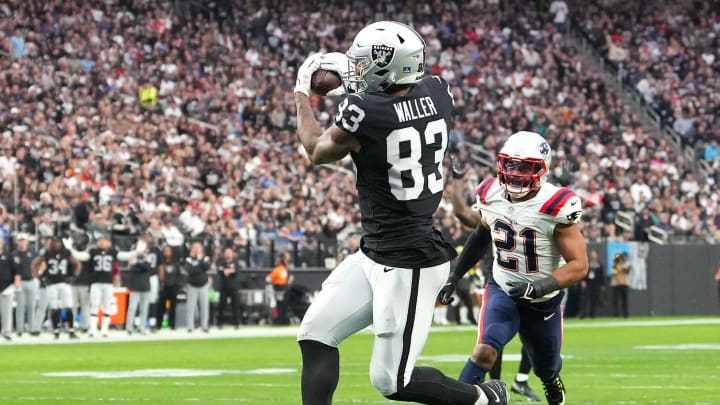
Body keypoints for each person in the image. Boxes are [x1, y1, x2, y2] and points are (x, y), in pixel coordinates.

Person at [293, 21, 507, 405]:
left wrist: (301, 93)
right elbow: (393, 100)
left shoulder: (364, 111)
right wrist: (356, 81)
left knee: (393, 382)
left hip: (410, 261)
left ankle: (485, 399)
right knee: (316, 332)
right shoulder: (439, 91)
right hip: (377, 248)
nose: (356, 68)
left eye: (364, 62)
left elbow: (316, 150)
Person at [438, 131, 588, 405]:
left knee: (546, 367)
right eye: (510, 164)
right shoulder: (491, 192)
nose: (515, 173)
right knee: (484, 352)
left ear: (541, 169)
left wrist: (538, 286)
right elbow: (480, 236)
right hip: (503, 290)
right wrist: (455, 275)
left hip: (542, 301)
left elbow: (579, 265)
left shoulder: (555, 204)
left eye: (524, 166)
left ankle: (551, 381)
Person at [447, 155, 541, 402]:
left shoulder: (543, 205)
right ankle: (494, 389)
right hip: (500, 277)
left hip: (536, 280)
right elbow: (464, 215)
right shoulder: (495, 203)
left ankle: (520, 380)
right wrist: (457, 183)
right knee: (492, 342)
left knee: (535, 340)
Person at [67, 235, 141, 337]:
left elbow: (124, 256)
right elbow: (81, 256)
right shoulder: (93, 251)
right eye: (100, 241)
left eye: (104, 240)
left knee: (107, 306)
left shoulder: (112, 252)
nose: (102, 242)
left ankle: (104, 330)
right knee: (94, 305)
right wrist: (71, 249)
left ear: (108, 243)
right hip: (96, 282)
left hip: (108, 283)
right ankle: (93, 329)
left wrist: (136, 252)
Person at [33, 237, 81, 339]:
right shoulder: (47, 254)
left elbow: (77, 264)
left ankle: (70, 329)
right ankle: (56, 330)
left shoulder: (66, 253)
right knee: (54, 307)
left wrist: (74, 276)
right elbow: (35, 264)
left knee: (68, 306)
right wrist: (40, 277)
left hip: (64, 282)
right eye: (54, 242)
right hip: (52, 283)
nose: (56, 244)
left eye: (58, 242)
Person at [11, 233, 38, 337]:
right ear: (17, 241)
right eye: (20, 240)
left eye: (24, 240)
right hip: (20, 282)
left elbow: (39, 263)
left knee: (31, 306)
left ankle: (32, 328)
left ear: (27, 241)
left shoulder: (32, 252)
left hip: (31, 280)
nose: (22, 242)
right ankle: (19, 329)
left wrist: (37, 274)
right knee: (20, 306)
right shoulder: (14, 254)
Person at [184, 242, 211, 333]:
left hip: (203, 285)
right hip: (192, 285)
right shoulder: (188, 259)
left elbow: (206, 267)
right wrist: (199, 267)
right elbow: (190, 270)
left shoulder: (205, 258)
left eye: (198, 248)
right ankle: (190, 326)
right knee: (190, 307)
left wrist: (199, 261)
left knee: (204, 306)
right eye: (195, 248)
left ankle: (204, 325)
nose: (196, 250)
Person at [156, 245, 182, 330]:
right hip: (164, 286)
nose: (167, 252)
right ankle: (159, 325)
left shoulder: (175, 263)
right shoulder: (161, 262)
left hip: (173, 286)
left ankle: (172, 325)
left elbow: (179, 275)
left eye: (168, 250)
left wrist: (177, 285)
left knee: (173, 307)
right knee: (161, 307)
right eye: (165, 250)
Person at [216, 247, 242, 328]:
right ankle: (220, 323)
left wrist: (228, 271)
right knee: (221, 306)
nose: (228, 254)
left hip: (234, 287)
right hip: (224, 287)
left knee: (235, 306)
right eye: (226, 252)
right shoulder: (221, 262)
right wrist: (229, 270)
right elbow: (220, 270)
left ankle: (236, 323)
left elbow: (236, 270)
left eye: (229, 252)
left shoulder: (236, 262)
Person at [0, 239, 19, 340]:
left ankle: (6, 331)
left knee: (7, 311)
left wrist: (16, 282)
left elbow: (16, 270)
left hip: (7, 287)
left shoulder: (8, 256)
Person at [266, 251, 291, 325]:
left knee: (281, 305)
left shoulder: (281, 269)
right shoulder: (280, 269)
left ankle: (281, 319)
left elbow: (268, 279)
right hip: (280, 288)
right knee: (279, 305)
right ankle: (279, 319)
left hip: (282, 288)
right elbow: (268, 279)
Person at [580, 250, 604, 318]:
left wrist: (602, 285)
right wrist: (583, 281)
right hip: (588, 283)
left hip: (596, 285)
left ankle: (592, 314)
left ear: (597, 255)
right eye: (592, 254)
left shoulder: (600, 264)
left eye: (594, 254)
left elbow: (601, 275)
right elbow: (583, 272)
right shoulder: (587, 263)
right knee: (584, 300)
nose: (593, 255)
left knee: (594, 300)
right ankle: (582, 314)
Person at [611, 252, 630, 318]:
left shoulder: (627, 264)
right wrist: (616, 265)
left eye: (625, 257)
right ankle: (615, 315)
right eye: (623, 257)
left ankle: (626, 315)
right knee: (616, 301)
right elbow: (614, 273)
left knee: (625, 300)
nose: (624, 258)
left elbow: (627, 271)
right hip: (616, 284)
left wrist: (620, 268)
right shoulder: (616, 264)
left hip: (624, 284)